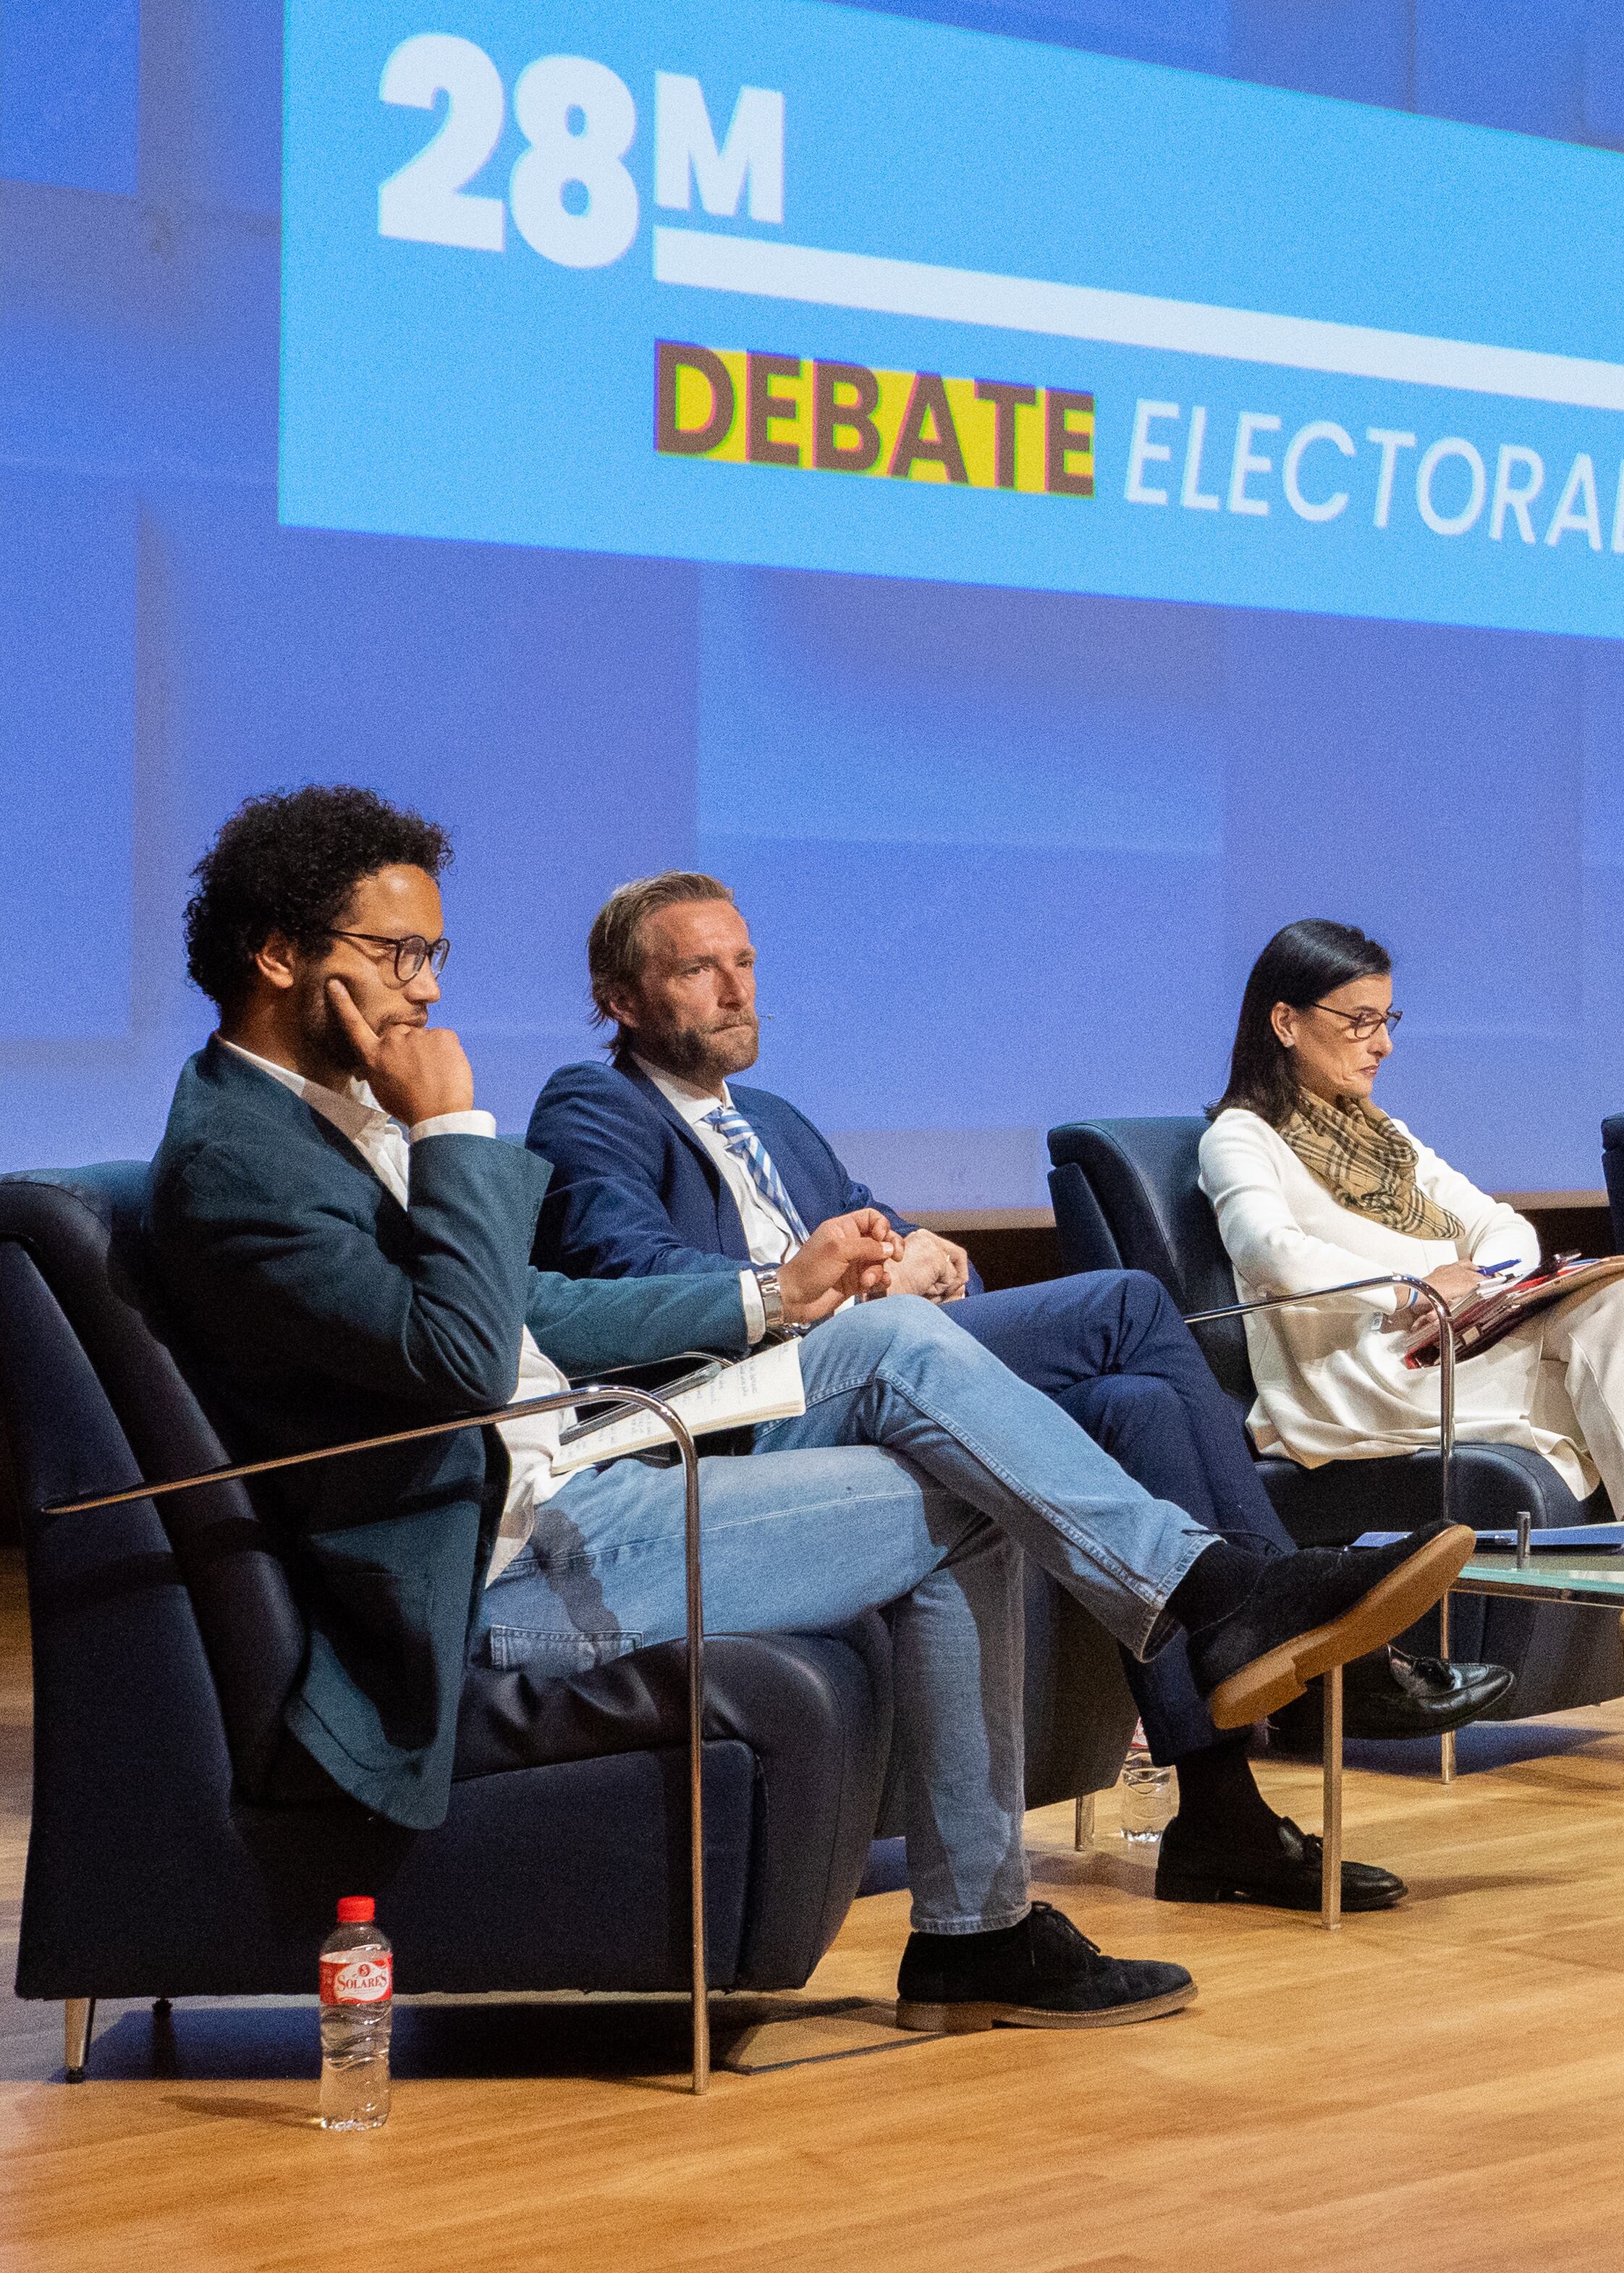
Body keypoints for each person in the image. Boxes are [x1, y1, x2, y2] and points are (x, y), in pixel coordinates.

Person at [148, 785, 1470, 2030]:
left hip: (583, 1470)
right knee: (954, 1463)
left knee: (902, 1352)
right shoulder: (241, 1158)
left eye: (434, 955)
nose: (429, 992)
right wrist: (449, 1133)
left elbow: (536, 1310)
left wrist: (775, 1300)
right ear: (282, 957)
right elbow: (448, 1354)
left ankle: (1164, 1655)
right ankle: (1031, 1852)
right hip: (496, 1578)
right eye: (401, 955)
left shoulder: (330, 1118)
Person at [523, 872, 1510, 1917]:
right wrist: (815, 1290)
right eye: (696, 968)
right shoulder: (595, 1103)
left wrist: (937, 1261)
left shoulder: (773, 1119)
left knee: (1138, 1410)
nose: (734, 988)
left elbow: (891, 1238)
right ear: (623, 998)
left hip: (884, 1363)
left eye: (746, 962)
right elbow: (628, 1272)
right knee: (1128, 1305)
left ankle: (1220, 1810)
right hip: (746, 1409)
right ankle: (1260, 1596)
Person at [1198, 921, 1624, 1778]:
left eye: (1389, 1020)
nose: (1382, 1043)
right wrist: (1419, 1280)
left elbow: (1505, 1229)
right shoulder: (1242, 1137)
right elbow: (1267, 1252)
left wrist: (1483, 1289)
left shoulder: (1384, 1138)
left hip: (1445, 1355)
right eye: (1359, 1021)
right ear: (1284, 1022)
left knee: (1621, 1302)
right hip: (1350, 1380)